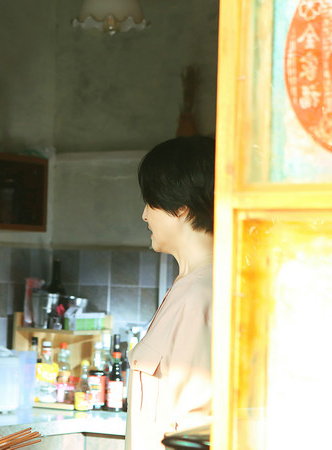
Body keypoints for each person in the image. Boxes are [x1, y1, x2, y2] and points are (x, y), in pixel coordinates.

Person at [125, 136, 214, 450]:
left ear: (180, 207)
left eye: (151, 202)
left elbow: (195, 428)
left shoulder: (202, 295)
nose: (144, 215)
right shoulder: (187, 287)